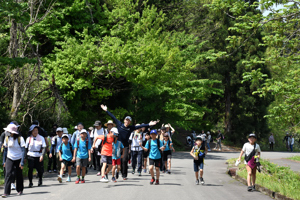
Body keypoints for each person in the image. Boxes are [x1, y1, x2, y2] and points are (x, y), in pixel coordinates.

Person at [101, 104, 159, 180]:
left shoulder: (131, 128)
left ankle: (124, 175)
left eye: (129, 121)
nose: (127, 121)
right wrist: (106, 110)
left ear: (130, 122)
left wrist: (149, 124)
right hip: (117, 145)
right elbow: (113, 117)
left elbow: (139, 126)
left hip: (125, 145)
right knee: (117, 160)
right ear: (124, 120)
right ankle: (115, 172)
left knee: (124, 159)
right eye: (126, 120)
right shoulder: (119, 124)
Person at [2, 124, 26, 197]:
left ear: (13, 132)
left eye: (9, 131)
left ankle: (20, 190)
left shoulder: (20, 139)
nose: (7, 132)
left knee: (19, 174)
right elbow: (5, 150)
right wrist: (4, 161)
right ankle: (6, 192)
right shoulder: (6, 138)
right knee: (8, 173)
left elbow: (23, 150)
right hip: (10, 158)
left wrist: (22, 162)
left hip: (18, 158)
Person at [0, 121, 20, 191]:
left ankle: (12, 183)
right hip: (8, 155)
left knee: (14, 171)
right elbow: (3, 148)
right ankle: (7, 188)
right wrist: (4, 160)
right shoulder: (4, 135)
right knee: (7, 172)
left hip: (17, 156)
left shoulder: (18, 136)